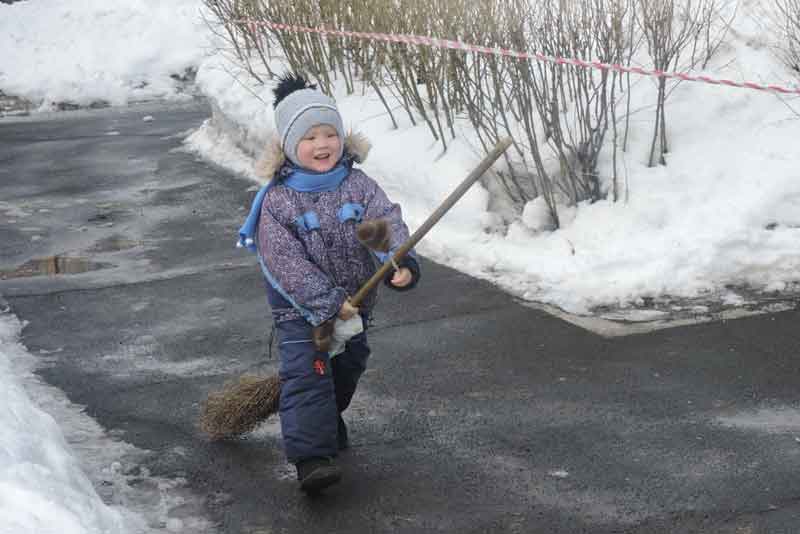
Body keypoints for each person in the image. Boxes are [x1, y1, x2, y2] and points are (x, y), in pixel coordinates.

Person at [237, 73, 421, 493]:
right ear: (287, 145)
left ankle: (323, 420)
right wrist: (325, 302)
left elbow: (383, 223)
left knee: (347, 367)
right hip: (301, 310)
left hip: (357, 304)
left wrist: (398, 262)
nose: (322, 145)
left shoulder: (357, 185)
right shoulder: (280, 200)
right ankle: (311, 459)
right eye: (309, 137)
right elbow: (284, 262)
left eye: (329, 134)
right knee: (309, 373)